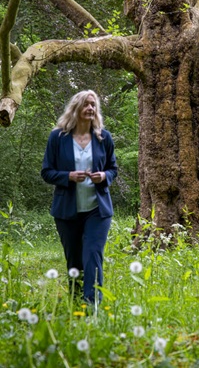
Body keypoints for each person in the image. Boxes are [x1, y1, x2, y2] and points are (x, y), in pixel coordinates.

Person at [41, 90, 118, 304]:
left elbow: (113, 169)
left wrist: (103, 176)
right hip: (67, 211)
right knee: (74, 260)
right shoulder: (58, 137)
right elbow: (46, 172)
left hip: (98, 210)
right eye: (86, 105)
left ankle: (92, 305)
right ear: (76, 108)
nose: (90, 108)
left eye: (93, 105)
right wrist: (68, 176)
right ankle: (75, 303)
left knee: (93, 255)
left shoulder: (104, 137)